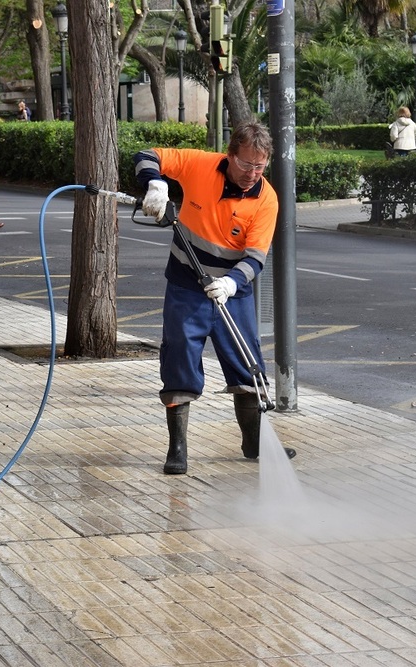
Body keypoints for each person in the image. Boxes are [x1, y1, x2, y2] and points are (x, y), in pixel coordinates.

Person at [134, 121, 296, 475]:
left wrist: (230, 284)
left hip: (232, 295)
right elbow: (148, 155)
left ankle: (254, 443)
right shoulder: (200, 165)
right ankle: (177, 449)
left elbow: (255, 258)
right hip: (185, 287)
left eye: (260, 166)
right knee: (178, 361)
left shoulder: (266, 199)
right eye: (246, 164)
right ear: (230, 155)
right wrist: (155, 183)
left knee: (247, 366)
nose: (252, 173)